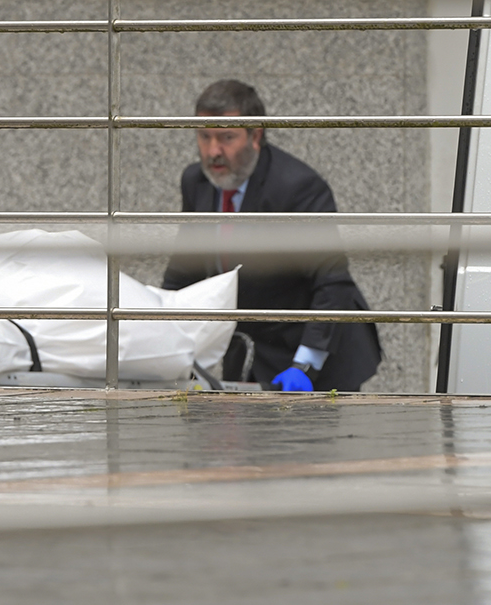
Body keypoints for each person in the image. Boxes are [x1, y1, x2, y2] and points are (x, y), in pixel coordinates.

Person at [161, 80, 382, 392]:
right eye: (204, 136)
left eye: (226, 137)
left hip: (315, 352)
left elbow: (332, 284)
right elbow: (184, 270)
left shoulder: (297, 188)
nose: (213, 151)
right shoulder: (196, 182)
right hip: (255, 347)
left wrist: (305, 364)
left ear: (256, 136)